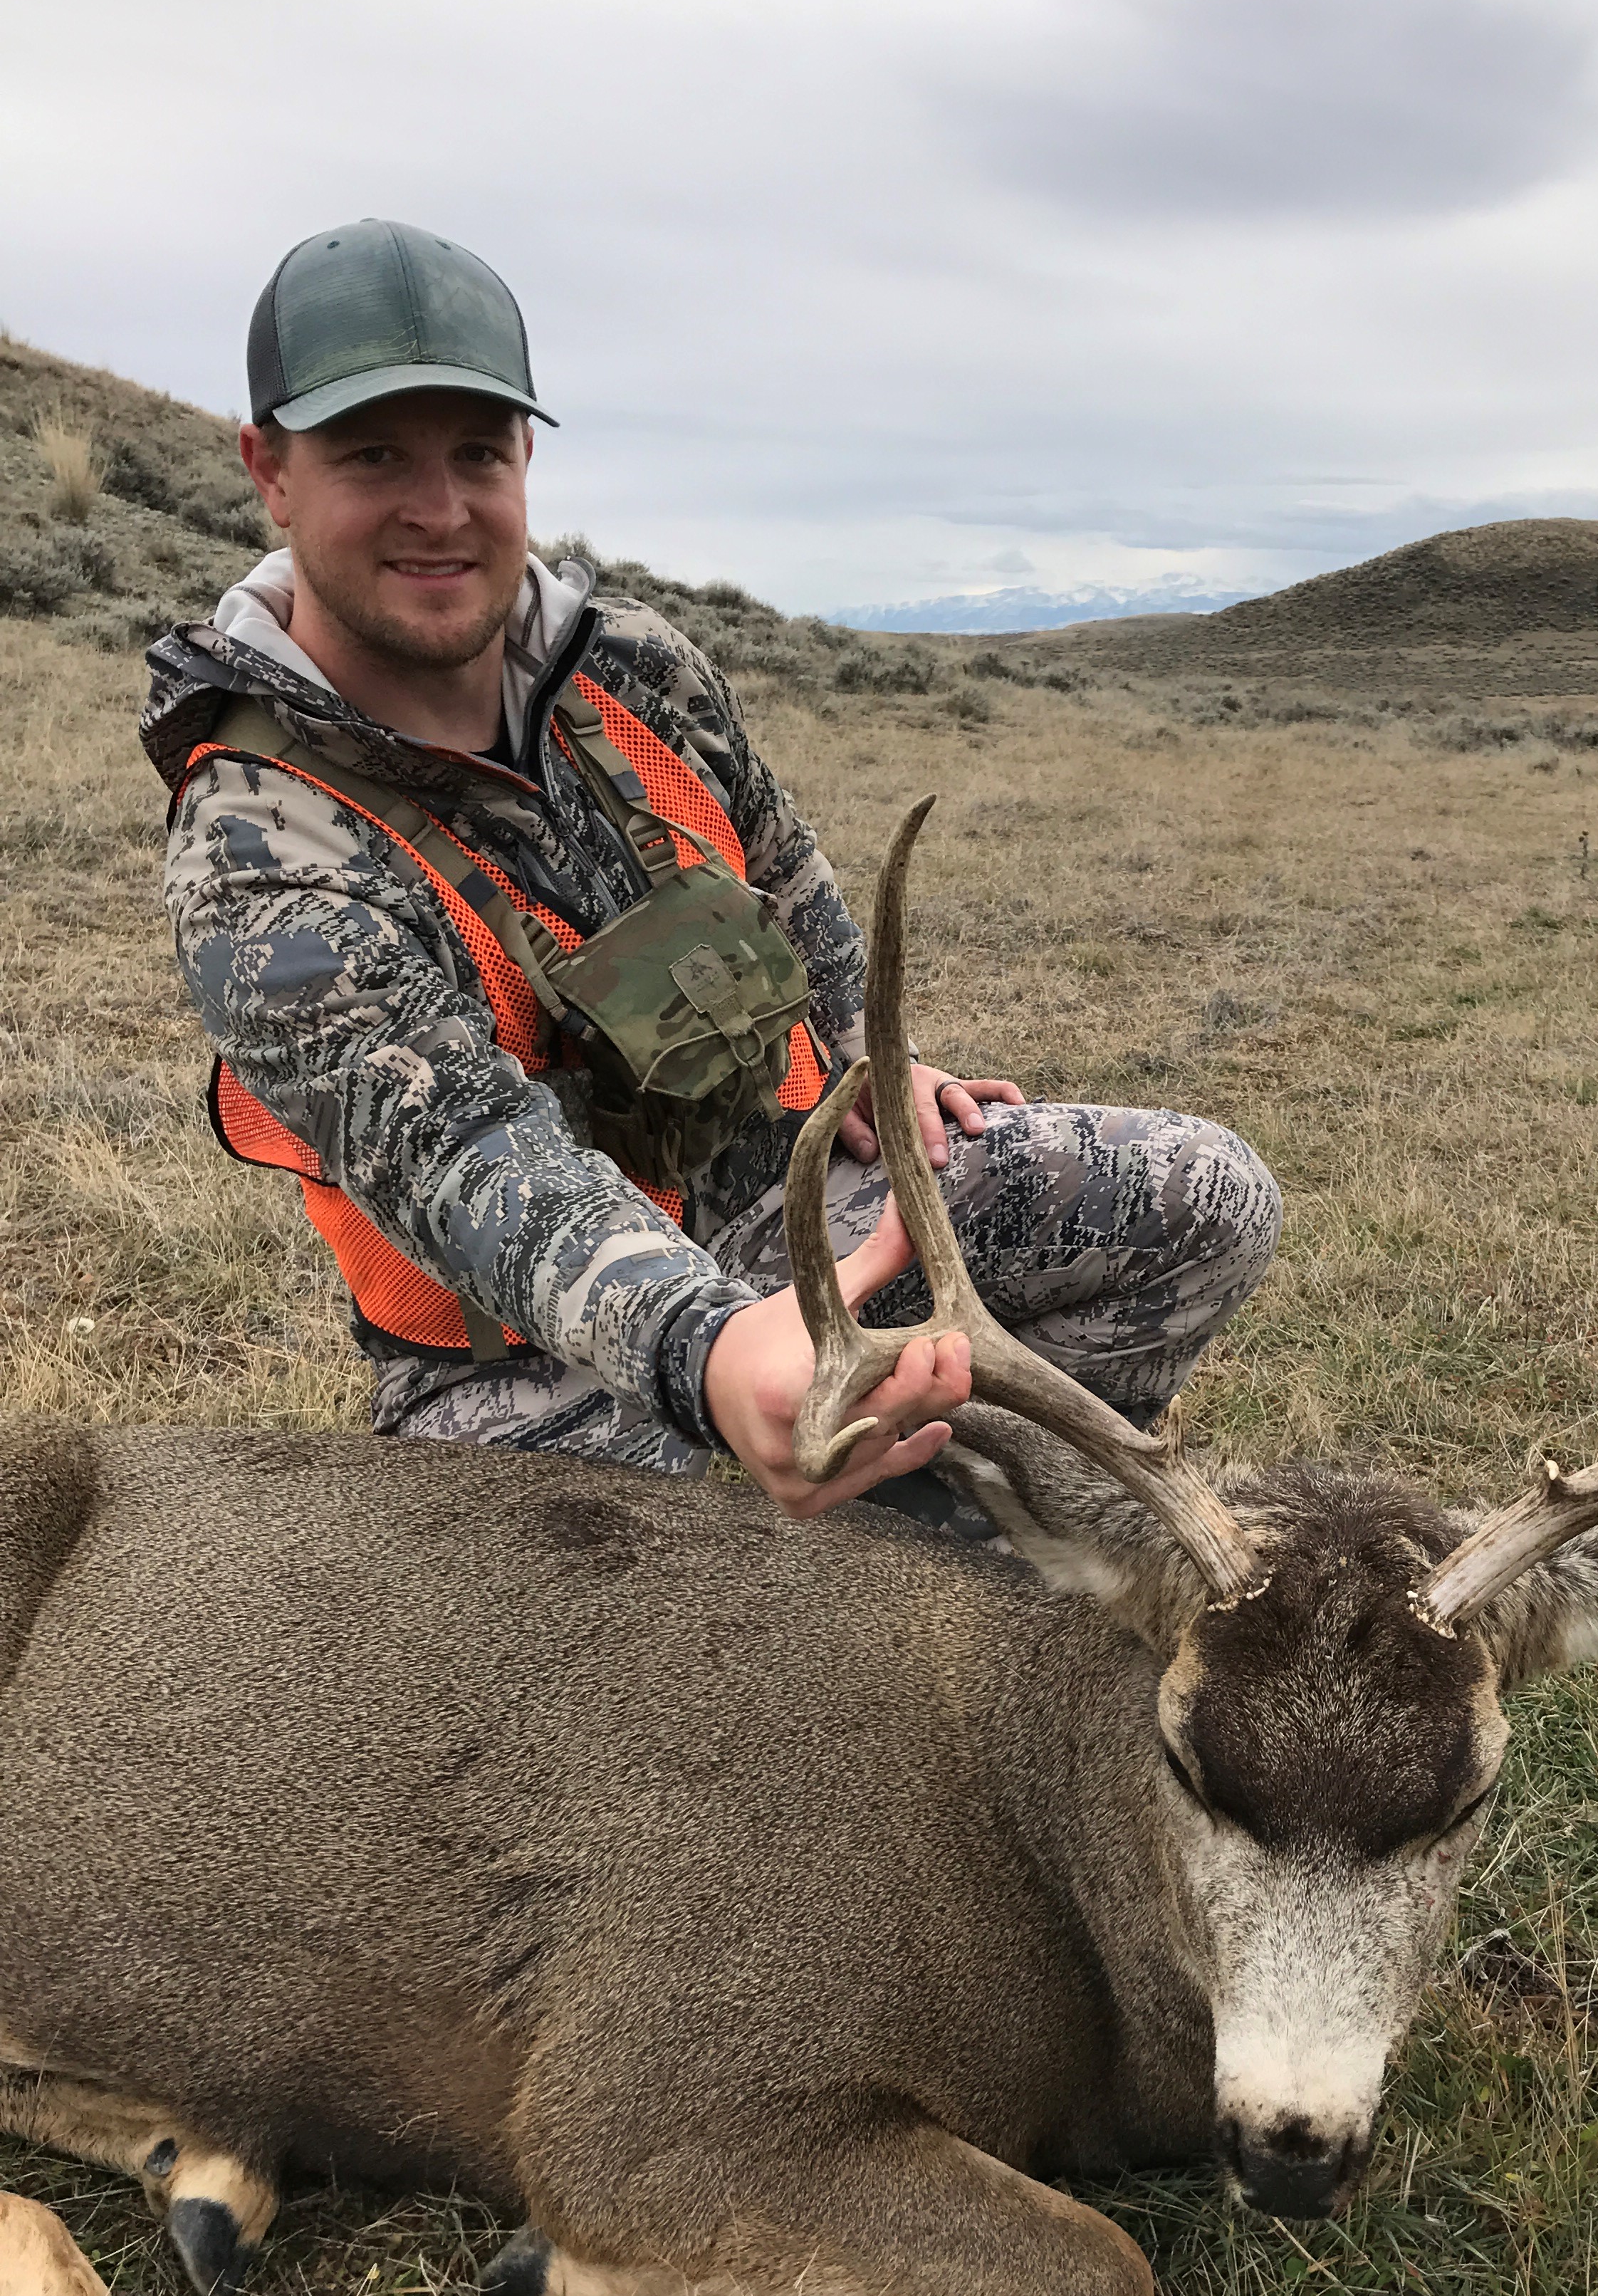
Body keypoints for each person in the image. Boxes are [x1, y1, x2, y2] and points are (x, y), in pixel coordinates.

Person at [139, 219, 1282, 1520]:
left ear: (526, 456)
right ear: (270, 472)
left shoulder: (636, 668)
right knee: (744, 1604)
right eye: (373, 457)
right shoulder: (256, 845)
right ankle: (929, 1546)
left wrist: (865, 1051)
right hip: (543, 1367)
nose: (440, 509)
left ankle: (965, 1526)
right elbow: (466, 1156)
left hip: (792, 1223)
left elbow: (783, 867)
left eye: (478, 452)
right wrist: (716, 1351)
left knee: (1203, 1201)